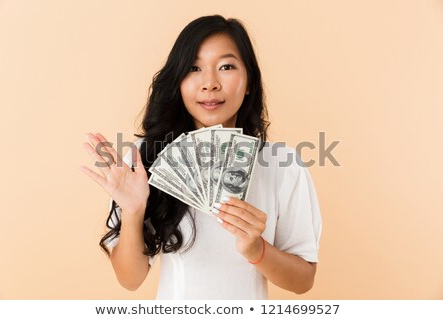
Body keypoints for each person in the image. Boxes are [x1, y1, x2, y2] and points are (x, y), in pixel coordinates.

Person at [80, 15, 322, 299]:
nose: (210, 83)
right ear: (178, 82)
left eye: (226, 66)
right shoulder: (144, 162)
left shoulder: (283, 165)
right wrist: (134, 211)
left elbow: (303, 280)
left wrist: (257, 249)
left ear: (249, 83)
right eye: (194, 68)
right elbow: (130, 279)